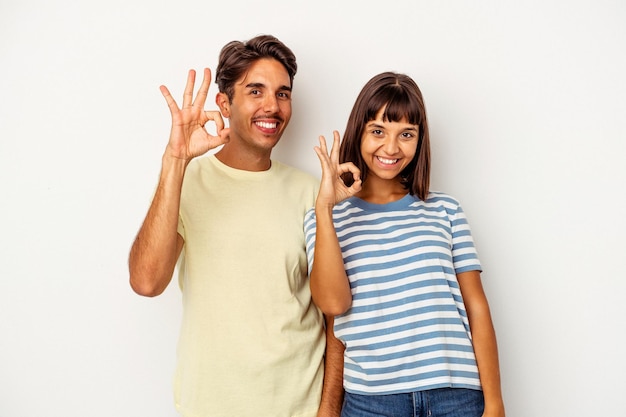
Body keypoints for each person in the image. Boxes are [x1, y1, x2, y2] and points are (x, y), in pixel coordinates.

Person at [129, 35, 343, 417]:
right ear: (224, 104)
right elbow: (147, 282)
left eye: (282, 93)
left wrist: (327, 409)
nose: (271, 106)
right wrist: (174, 160)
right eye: (255, 91)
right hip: (210, 406)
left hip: (298, 407)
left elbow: (335, 316)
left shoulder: (311, 192)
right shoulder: (186, 182)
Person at [304, 72, 505, 416]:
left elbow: (477, 308)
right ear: (359, 132)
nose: (392, 147)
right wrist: (325, 209)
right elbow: (333, 304)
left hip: (454, 397)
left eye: (406, 134)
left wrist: (495, 403)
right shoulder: (326, 219)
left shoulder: (446, 210)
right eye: (378, 131)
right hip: (371, 401)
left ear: (419, 140)